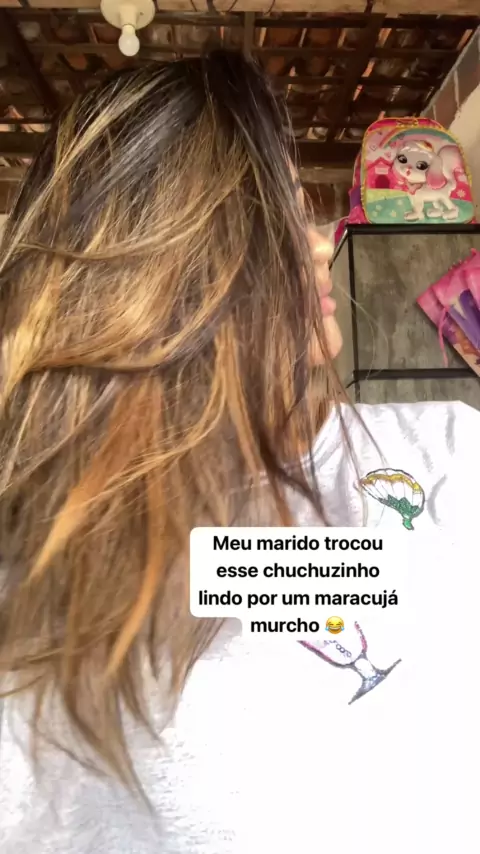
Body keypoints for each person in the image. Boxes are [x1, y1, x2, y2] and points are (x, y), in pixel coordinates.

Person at [0, 50, 478, 854]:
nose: (320, 244)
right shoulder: (35, 578)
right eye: (276, 215)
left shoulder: (450, 450)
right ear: (168, 262)